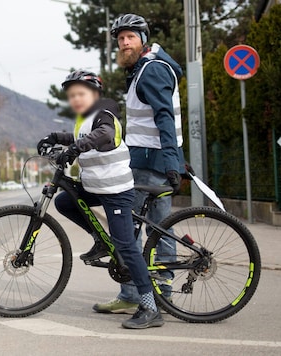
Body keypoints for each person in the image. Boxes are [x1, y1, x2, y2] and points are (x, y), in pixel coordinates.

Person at [37, 70, 164, 329]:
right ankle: (101, 241)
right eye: (71, 95)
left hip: (116, 191)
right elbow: (82, 138)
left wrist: (75, 149)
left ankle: (151, 309)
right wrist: (56, 138)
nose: (75, 99)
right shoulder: (84, 119)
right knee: (64, 201)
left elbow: (104, 134)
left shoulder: (105, 112)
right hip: (97, 188)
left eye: (81, 94)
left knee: (126, 246)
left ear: (95, 94)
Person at [92, 13, 186, 315]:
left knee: (153, 230)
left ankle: (161, 294)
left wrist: (173, 162)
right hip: (143, 161)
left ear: (143, 39)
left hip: (154, 164)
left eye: (130, 37)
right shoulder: (140, 70)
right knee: (133, 229)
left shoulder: (151, 71)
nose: (124, 43)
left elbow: (164, 118)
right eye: (120, 39)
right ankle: (133, 292)